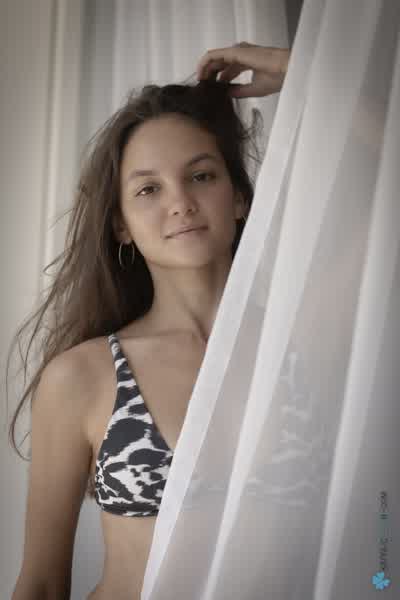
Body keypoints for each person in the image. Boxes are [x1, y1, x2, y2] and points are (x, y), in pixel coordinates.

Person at [9, 42, 290, 600]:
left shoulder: (301, 348)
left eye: (201, 176)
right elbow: (40, 584)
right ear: (121, 225)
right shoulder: (81, 377)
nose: (180, 202)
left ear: (238, 198)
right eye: (148, 189)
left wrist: (302, 69)